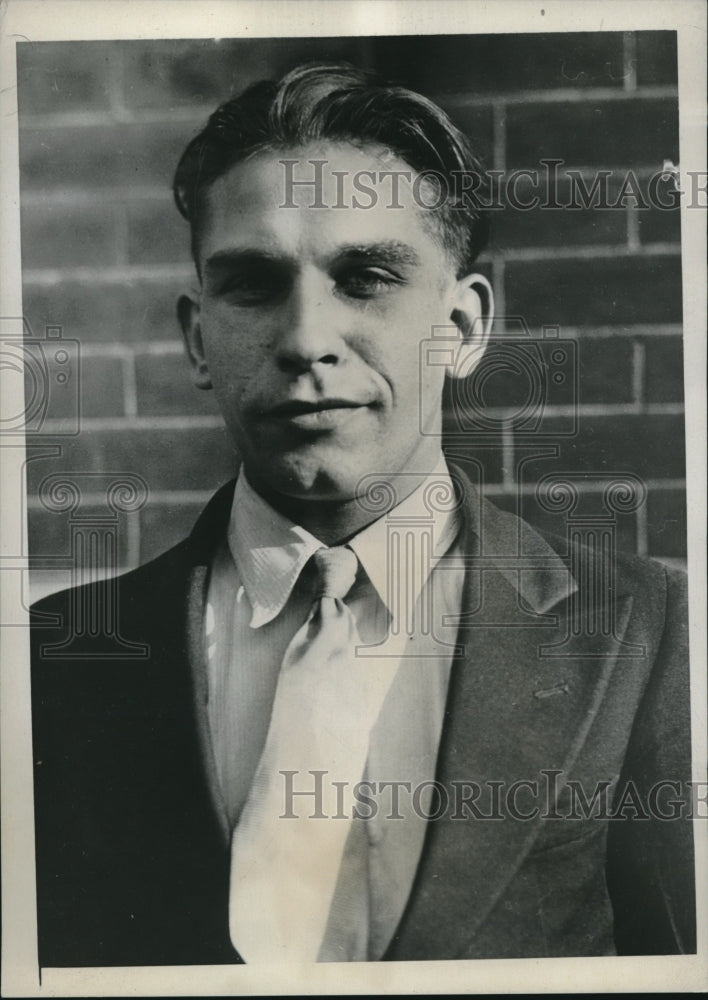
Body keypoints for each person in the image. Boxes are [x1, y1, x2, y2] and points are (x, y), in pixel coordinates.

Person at [30, 62, 695, 967]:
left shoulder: (642, 630)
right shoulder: (58, 656)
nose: (307, 339)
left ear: (462, 328)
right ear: (197, 336)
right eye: (254, 285)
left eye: (367, 276)